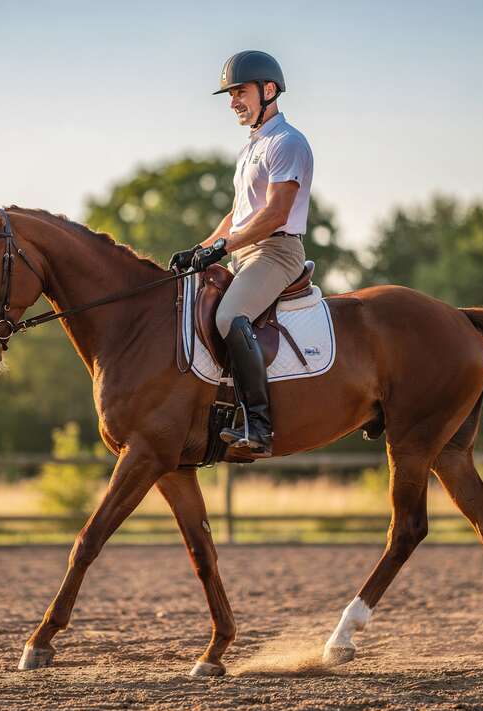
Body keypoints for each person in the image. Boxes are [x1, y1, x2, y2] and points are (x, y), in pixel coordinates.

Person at [170, 50, 313, 458]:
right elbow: (240, 213)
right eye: (231, 94)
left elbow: (274, 214)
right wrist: (201, 248)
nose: (233, 101)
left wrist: (223, 247)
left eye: (240, 92)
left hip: (276, 251)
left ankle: (259, 425)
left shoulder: (287, 142)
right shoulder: (251, 147)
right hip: (245, 252)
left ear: (269, 91)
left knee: (230, 316)